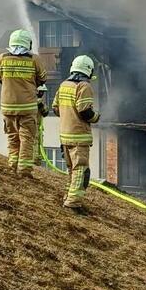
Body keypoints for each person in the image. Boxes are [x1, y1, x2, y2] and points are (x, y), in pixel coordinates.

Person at [0, 29, 46, 178]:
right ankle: (24, 171)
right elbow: (42, 79)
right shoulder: (34, 59)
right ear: (27, 43)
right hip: (27, 107)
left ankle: (12, 166)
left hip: (7, 106)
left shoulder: (1, 58)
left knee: (12, 136)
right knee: (27, 138)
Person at [55, 55, 100, 210]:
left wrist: (69, 115)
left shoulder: (64, 85)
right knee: (81, 170)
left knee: (71, 170)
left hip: (65, 136)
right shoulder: (84, 86)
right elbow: (85, 111)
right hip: (79, 136)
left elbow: (55, 108)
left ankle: (69, 196)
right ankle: (73, 203)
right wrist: (96, 118)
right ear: (88, 71)